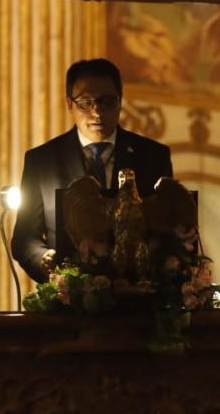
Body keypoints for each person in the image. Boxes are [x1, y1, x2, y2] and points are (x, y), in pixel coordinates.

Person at [11, 58, 173, 282]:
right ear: (69, 104)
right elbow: (24, 238)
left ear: (120, 102)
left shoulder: (153, 156)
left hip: (137, 301)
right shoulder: (42, 161)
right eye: (86, 102)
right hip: (68, 302)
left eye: (106, 101)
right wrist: (43, 258)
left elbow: (167, 229)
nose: (97, 112)